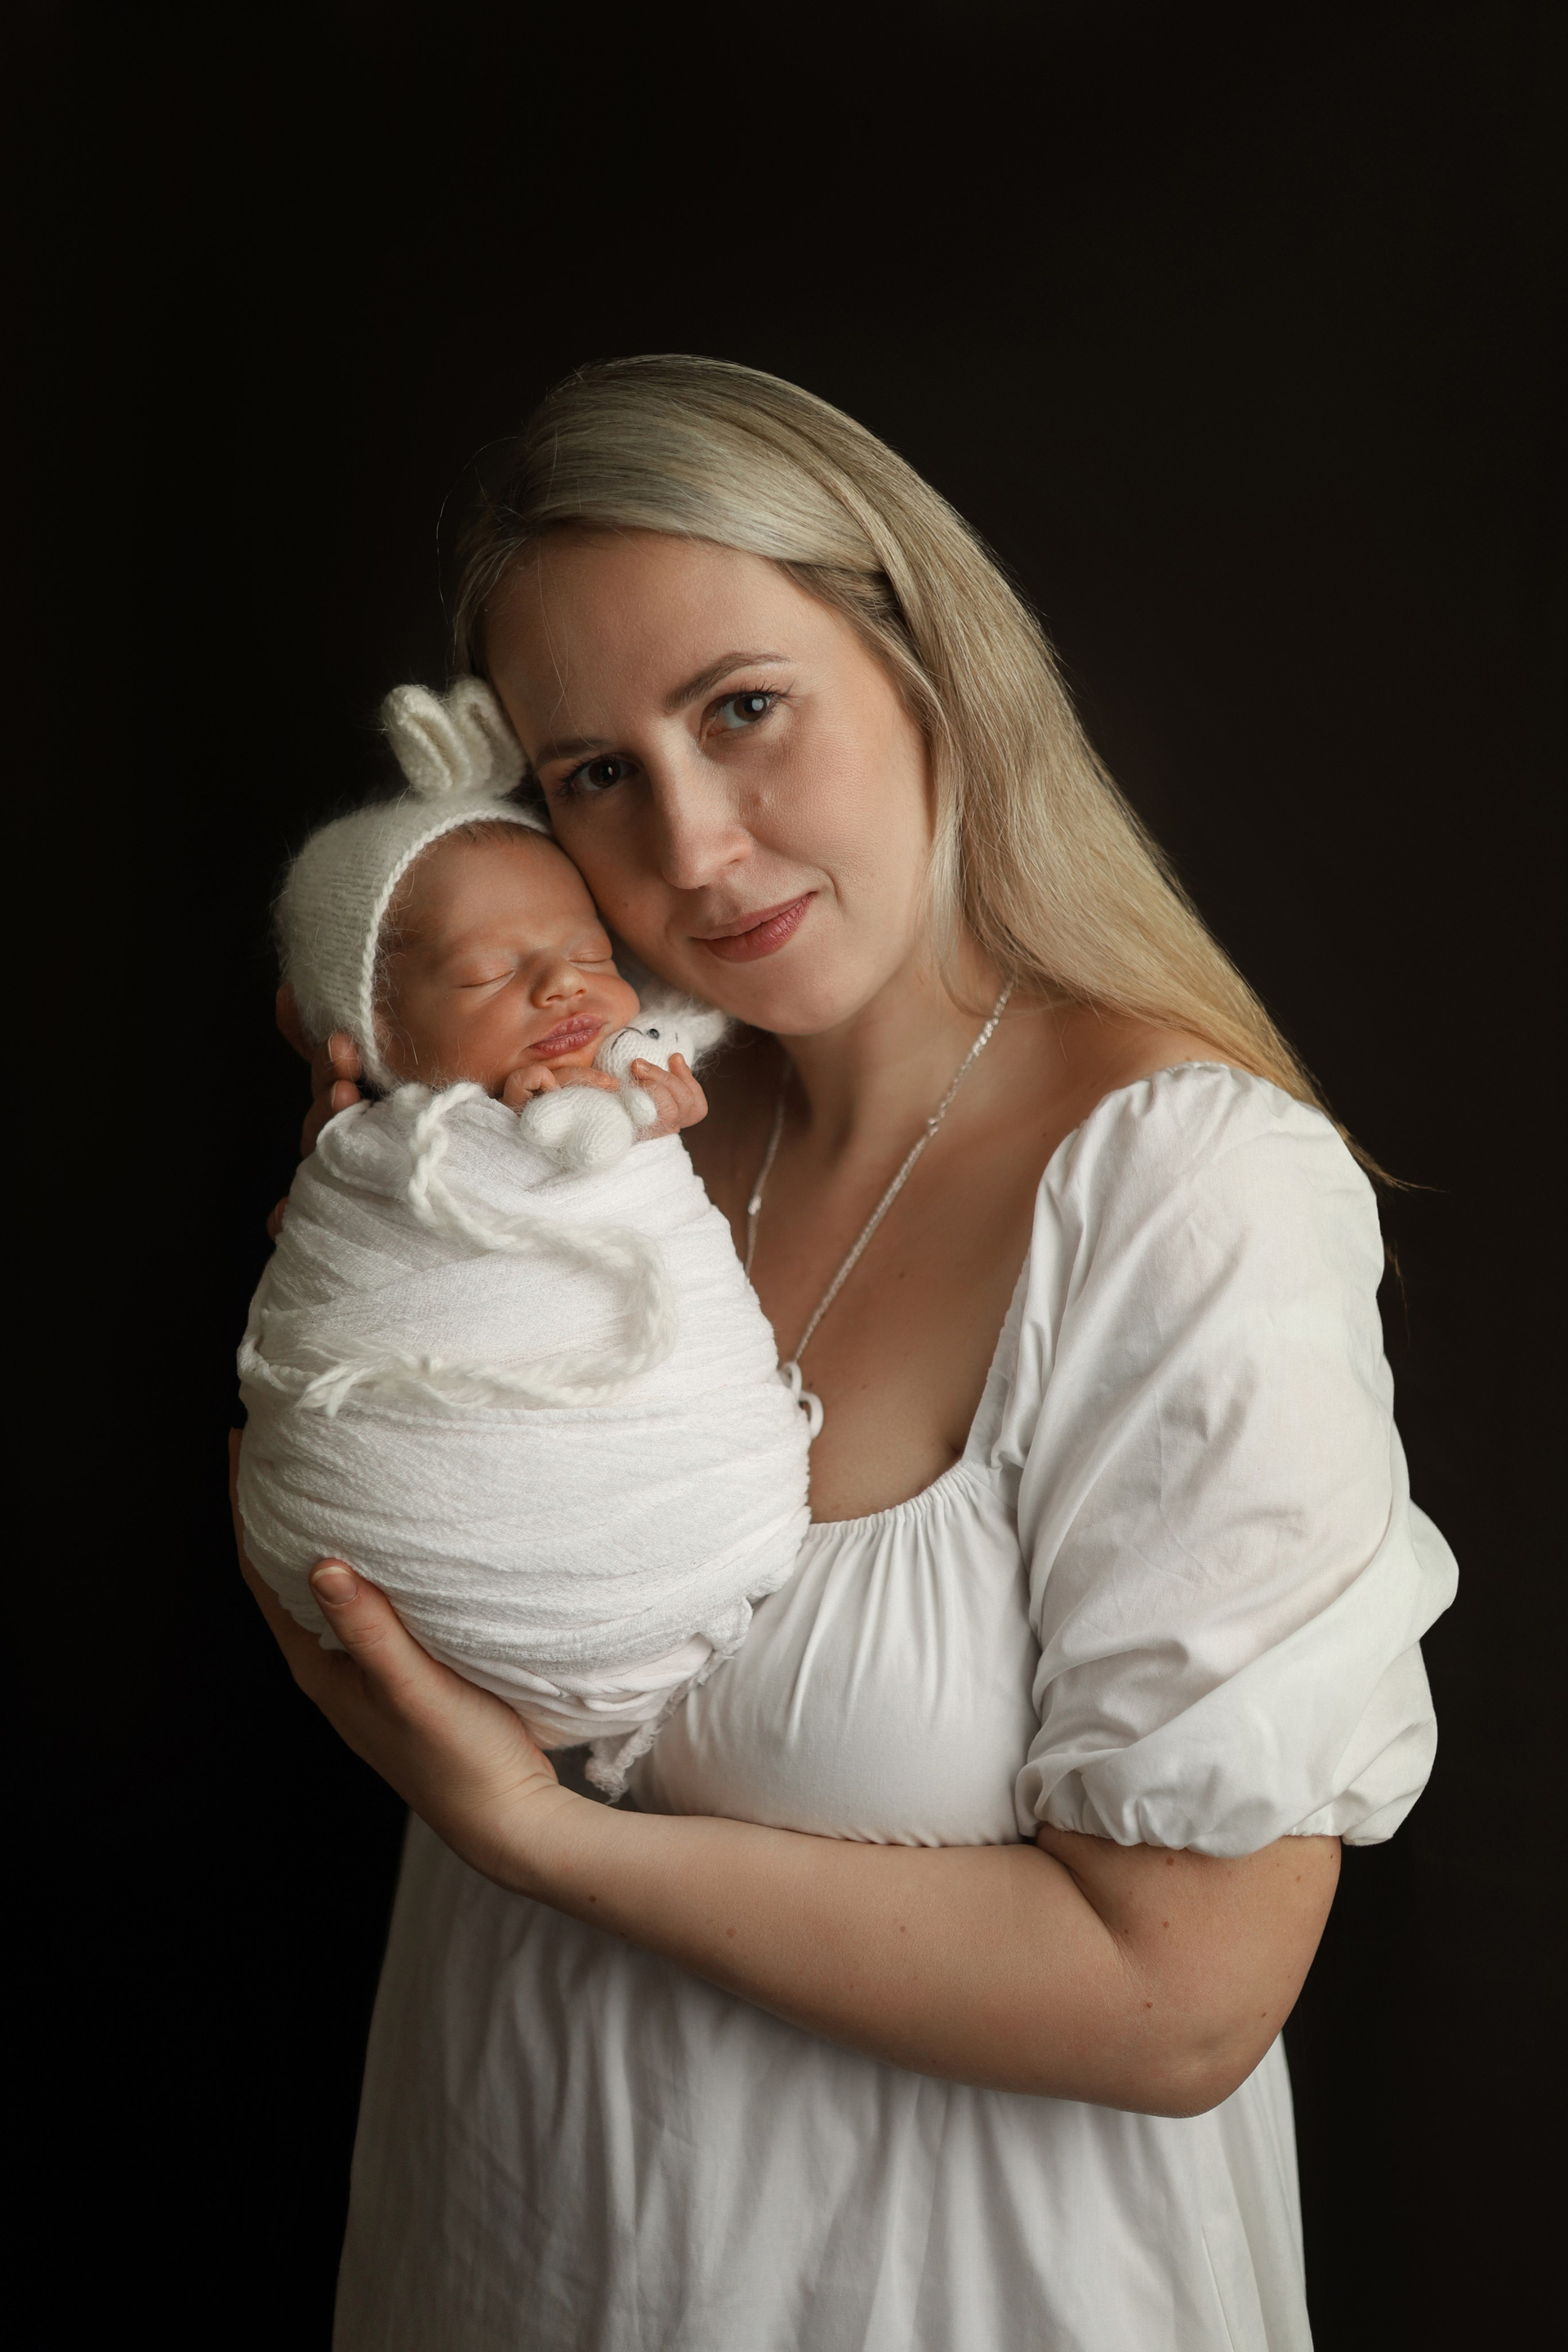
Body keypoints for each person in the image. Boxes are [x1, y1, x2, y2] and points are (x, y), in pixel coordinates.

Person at [236, 355, 1458, 2350]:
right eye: (594, 773)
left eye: (742, 708)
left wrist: (533, 1835)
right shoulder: (576, 1140)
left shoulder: (1181, 1189)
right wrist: (390, 1245)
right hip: (505, 2231)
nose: (695, 848)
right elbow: (333, 1540)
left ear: (926, 664)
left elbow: (1181, 2003)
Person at [238, 675, 808, 1797]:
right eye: (488, 972)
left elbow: (656, 1082)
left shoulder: (622, 1072)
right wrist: (374, 1186)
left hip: (682, 1563)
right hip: (419, 1599)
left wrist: (633, 1109)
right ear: (373, 1035)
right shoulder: (378, 1152)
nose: (562, 986)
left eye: (591, 954)